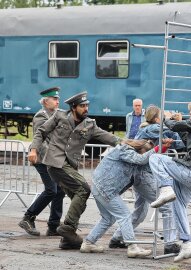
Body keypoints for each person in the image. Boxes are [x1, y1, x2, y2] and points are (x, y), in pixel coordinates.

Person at [28, 91, 122, 249]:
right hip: (55, 162)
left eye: (87, 105)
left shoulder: (90, 124)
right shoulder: (60, 116)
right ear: (74, 107)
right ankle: (68, 228)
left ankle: (66, 240)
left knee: (80, 200)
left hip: (69, 166)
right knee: (84, 189)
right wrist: (33, 150)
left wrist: (130, 143)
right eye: (82, 106)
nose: (86, 108)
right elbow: (41, 132)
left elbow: (109, 138)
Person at [80, 139, 173, 257]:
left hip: (101, 188)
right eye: (145, 152)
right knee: (124, 215)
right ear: (140, 148)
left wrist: (162, 149)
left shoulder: (130, 155)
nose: (144, 155)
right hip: (106, 189)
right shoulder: (124, 150)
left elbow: (145, 164)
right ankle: (132, 247)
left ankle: (88, 243)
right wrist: (157, 148)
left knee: (108, 218)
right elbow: (141, 159)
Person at [149, 97, 191, 262]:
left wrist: (166, 119)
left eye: (190, 110)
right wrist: (180, 124)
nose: (189, 113)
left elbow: (181, 125)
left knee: (156, 158)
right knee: (177, 204)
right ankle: (187, 245)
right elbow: (188, 140)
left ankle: (165, 188)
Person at [18, 87, 65, 237]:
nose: (58, 101)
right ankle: (28, 217)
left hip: (54, 159)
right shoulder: (41, 116)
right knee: (51, 190)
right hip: (43, 159)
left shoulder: (57, 114)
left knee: (60, 190)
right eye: (54, 99)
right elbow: (41, 140)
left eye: (58, 99)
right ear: (46, 101)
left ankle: (53, 226)